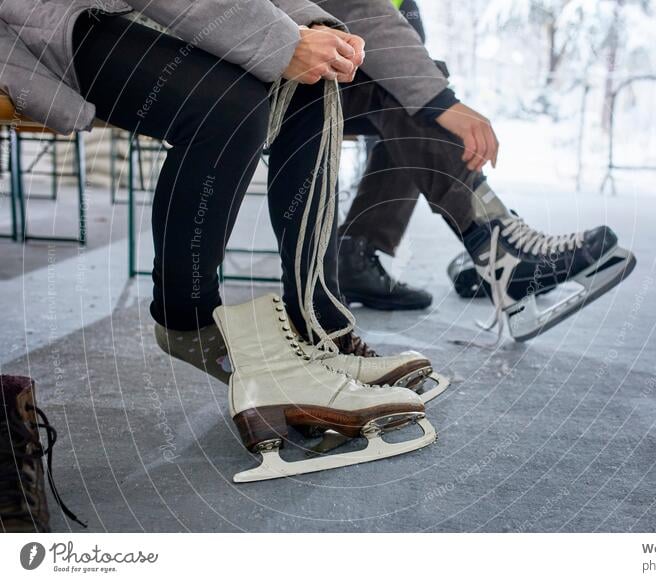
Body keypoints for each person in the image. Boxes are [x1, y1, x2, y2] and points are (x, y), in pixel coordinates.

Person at [1, 0, 438, 483]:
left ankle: (319, 325)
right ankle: (188, 319)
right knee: (227, 103)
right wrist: (284, 40)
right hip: (38, 20)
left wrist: (311, 25)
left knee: (309, 80)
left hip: (126, 12)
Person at [323, 0, 636, 340]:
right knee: (406, 90)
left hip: (327, 71)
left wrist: (430, 95)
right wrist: (439, 102)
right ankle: (497, 248)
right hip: (275, 67)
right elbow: (355, 9)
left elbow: (400, 46)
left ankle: (356, 254)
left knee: (407, 87)